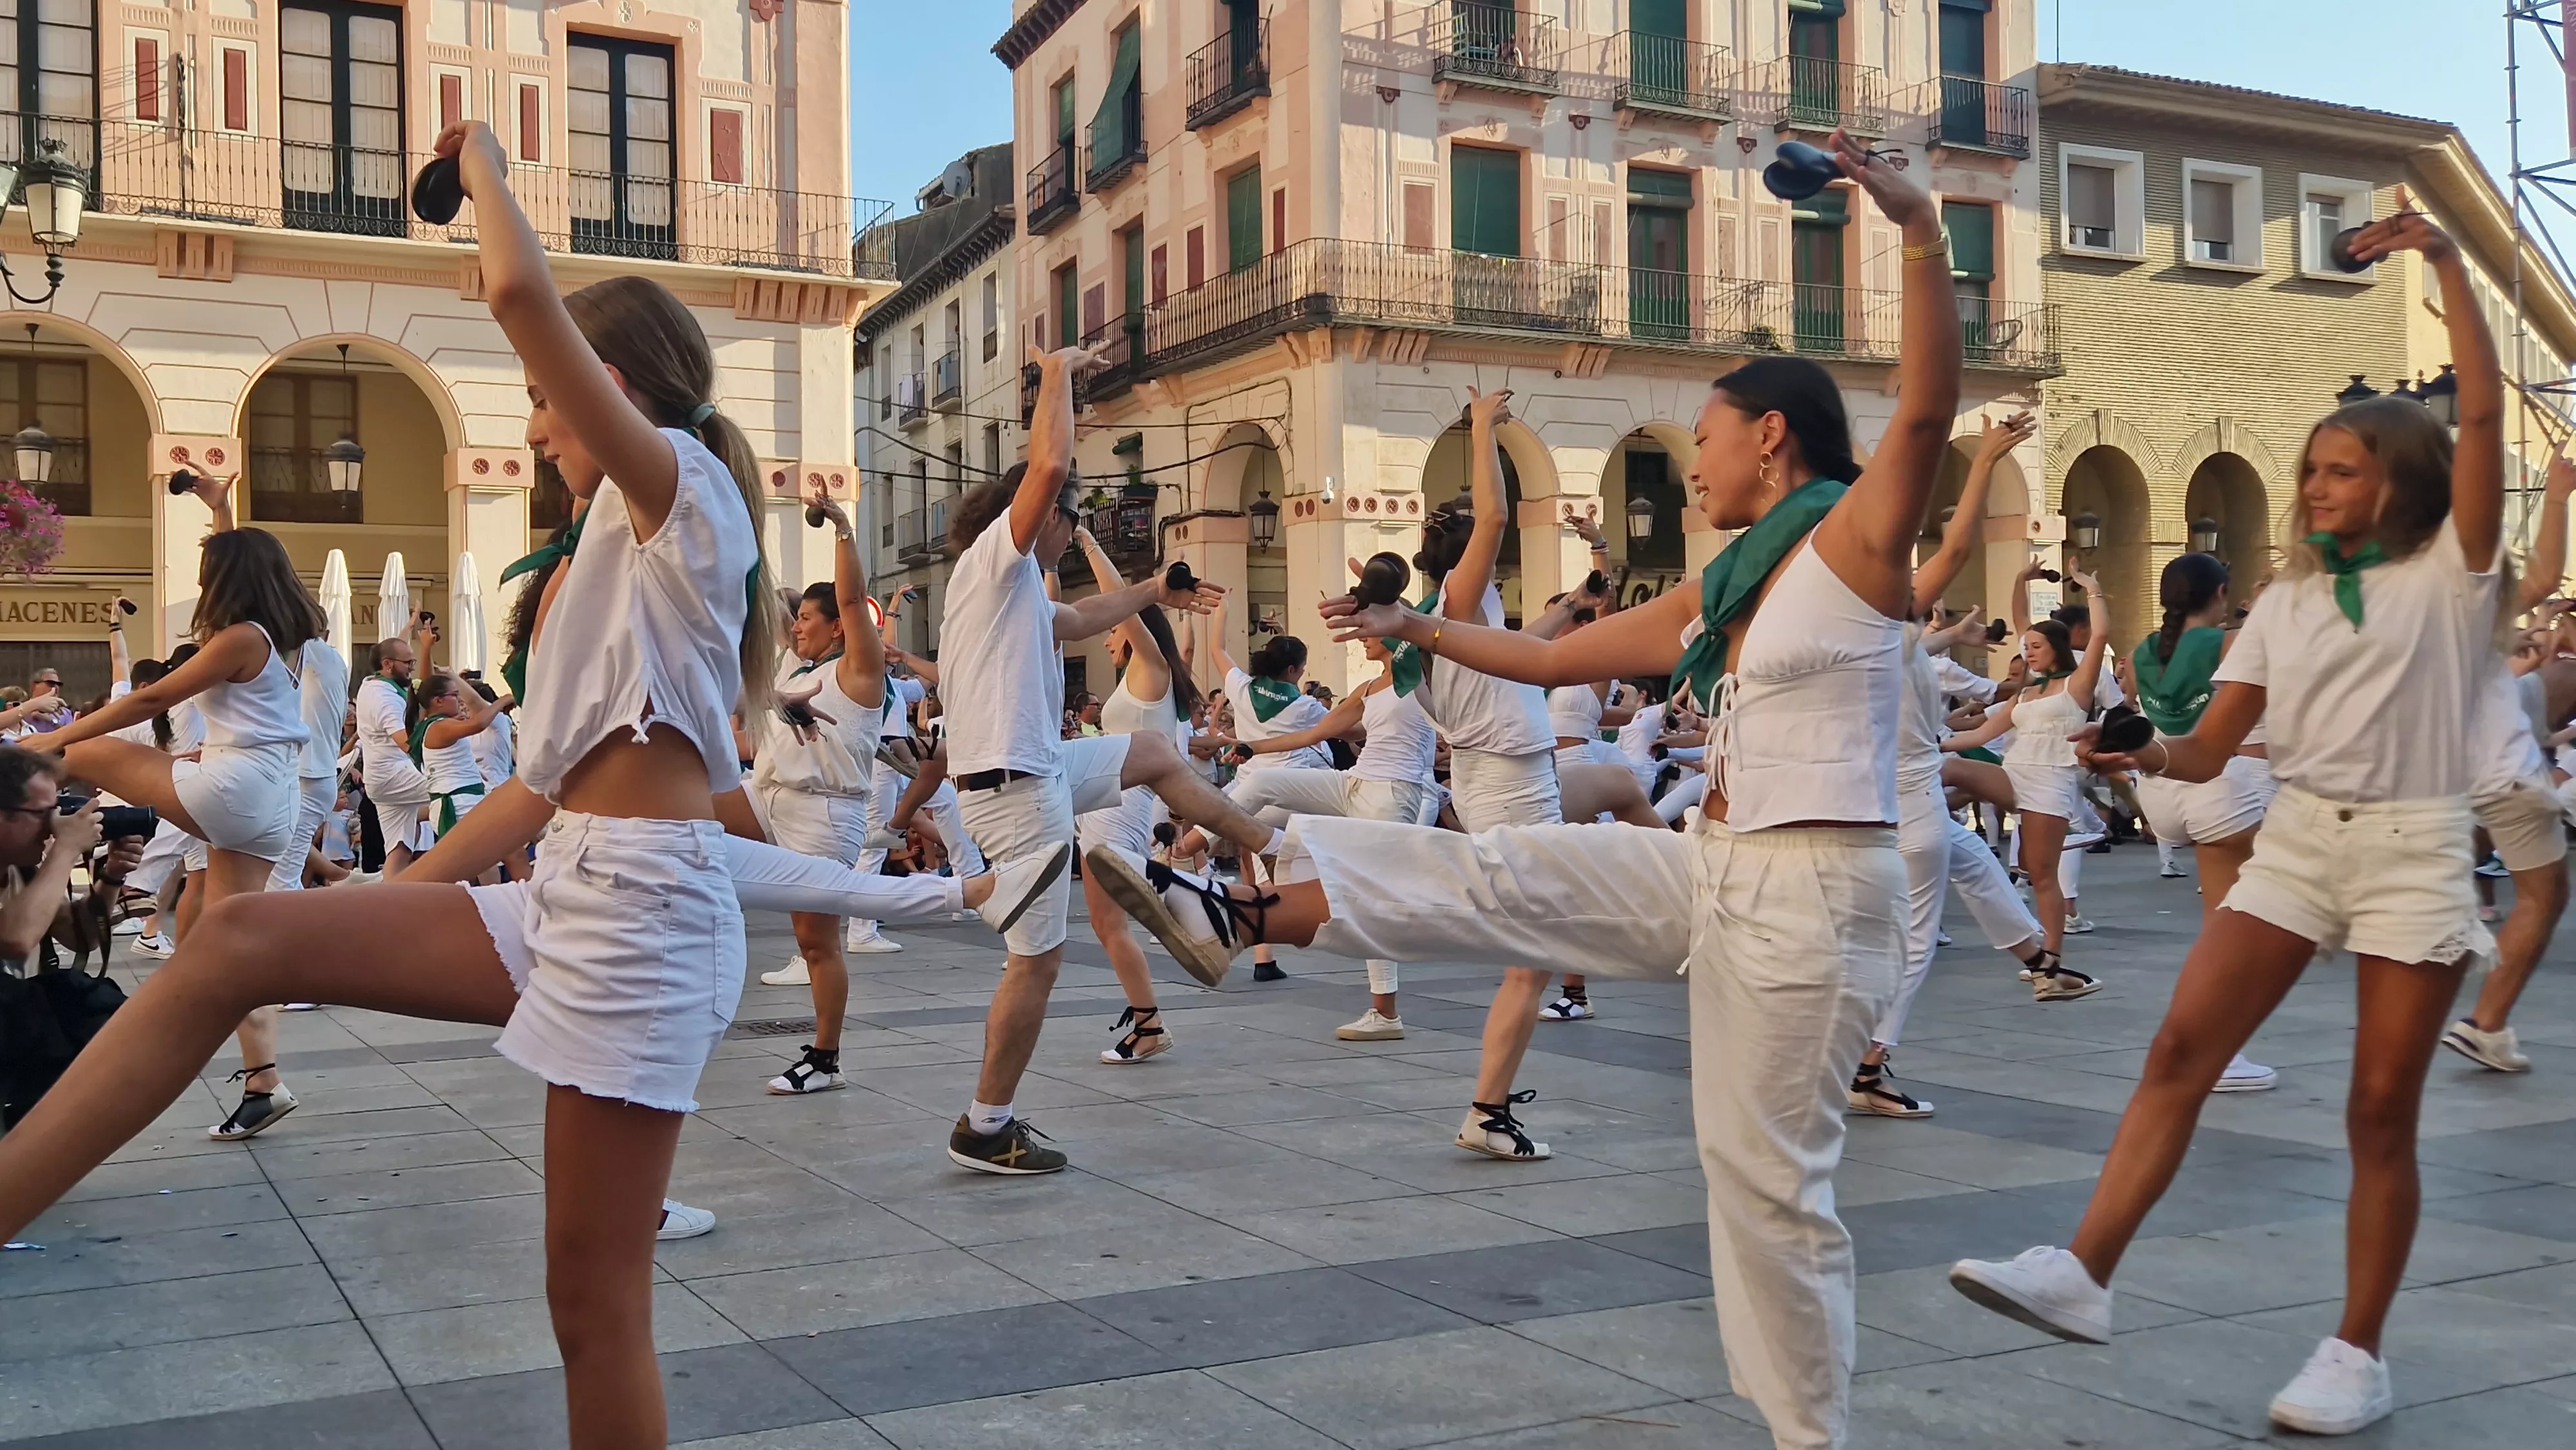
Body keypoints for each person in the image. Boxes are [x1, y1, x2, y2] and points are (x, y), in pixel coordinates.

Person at [0, 123, 1063, 1450]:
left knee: (592, 1308)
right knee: (242, 938)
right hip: (572, 890)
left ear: (601, 385)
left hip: (638, 925)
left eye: (542, 403)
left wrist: (486, 166)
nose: (535, 427)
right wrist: (367, 910)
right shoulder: (602, 553)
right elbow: (535, 792)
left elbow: (515, 290)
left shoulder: (685, 499)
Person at [1092, 129, 1951, 1450]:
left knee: (1766, 1184)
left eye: (1708, 438)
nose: (1695, 462)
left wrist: (1920, 231)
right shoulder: (1726, 585)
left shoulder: (1852, 540)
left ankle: (1808, 1436)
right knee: (1506, 872)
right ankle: (1234, 915)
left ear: (1771, 437)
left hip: (1818, 900)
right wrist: (1414, 630)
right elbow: (1550, 657)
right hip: (1718, 868)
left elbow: (1929, 416)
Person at [1946, 200, 2501, 1439]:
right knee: (2178, 1051)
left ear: (2401, 481)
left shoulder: (2448, 571)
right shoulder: (2288, 601)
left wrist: (2445, 261)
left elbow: (2483, 423)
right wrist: (2139, 746)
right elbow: (2203, 748)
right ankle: (2083, 1271)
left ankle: (2357, 1353)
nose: (2316, 487)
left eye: (2342, 469)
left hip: (2412, 849)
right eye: (2310, 469)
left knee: (2378, 1110)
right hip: (2299, 843)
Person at [929, 341, 1288, 1178]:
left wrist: (1156, 592)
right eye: (1069, 515)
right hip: (1014, 792)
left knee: (1155, 750)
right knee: (1037, 961)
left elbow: (1084, 620)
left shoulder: (1018, 594)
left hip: (1039, 767)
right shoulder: (995, 564)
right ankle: (986, 1123)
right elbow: (1050, 464)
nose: (1071, 523)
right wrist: (1055, 377)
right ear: (1036, 517)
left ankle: (1272, 848)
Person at [23, 471, 320, 1139]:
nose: (203, 579)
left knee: (79, 754)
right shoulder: (282, 638)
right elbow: (243, 564)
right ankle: (263, 1081)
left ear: (228, 580)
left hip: (235, 786)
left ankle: (24, 852)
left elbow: (152, 698)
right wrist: (221, 510)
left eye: (209, 571)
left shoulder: (240, 637)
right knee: (229, 941)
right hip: (270, 799)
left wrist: (56, 736)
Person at [1213, 635, 1440, 1040]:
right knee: (1262, 781)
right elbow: (1315, 733)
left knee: (1368, 902)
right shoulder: (1368, 688)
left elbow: (1422, 627)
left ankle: (1385, 1014)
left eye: (1369, 629)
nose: (1363, 637)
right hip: (1352, 782)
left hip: (1393, 793)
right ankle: (1186, 850)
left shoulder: (1418, 678)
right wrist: (1252, 747)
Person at [747, 482, 891, 1095]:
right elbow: (766, 602)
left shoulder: (858, 669)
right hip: (767, 797)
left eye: (808, 618)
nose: (796, 626)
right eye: (797, 617)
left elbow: (853, 598)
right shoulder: (794, 666)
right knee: (684, 817)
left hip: (824, 815)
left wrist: (841, 527)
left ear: (837, 628)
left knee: (815, 942)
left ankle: (826, 1058)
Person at [2442, 455, 2573, 1071]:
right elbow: (2544, 576)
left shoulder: (2406, 600)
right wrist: (2558, 496)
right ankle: (2486, 1023)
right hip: (2505, 770)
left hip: (2455, 771)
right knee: (2544, 897)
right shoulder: (2461, 590)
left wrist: (2506, 643)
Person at [1941, 569, 2108, 1000]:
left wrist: (2091, 589)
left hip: (2050, 783)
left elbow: (2101, 634)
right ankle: (1906, 817)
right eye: (2026, 646)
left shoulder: (2077, 685)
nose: (2028, 652)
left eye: (2036, 647)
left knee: (2041, 875)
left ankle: (2050, 959)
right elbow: (1979, 735)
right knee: (1947, 768)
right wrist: (1930, 744)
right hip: (2013, 774)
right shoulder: (2026, 692)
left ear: (2057, 648)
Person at [1070, 525, 1202, 1064]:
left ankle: (1150, 1025)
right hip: (1108, 804)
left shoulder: (1152, 671)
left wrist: (1088, 543)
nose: (1106, 638)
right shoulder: (1144, 680)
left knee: (1109, 924)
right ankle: (1149, 1021)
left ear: (1134, 632)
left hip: (1119, 810)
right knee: (1107, 923)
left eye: (1113, 631)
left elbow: (1119, 602)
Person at [1208, 603, 1331, 982]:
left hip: (1252, 799)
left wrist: (1222, 610)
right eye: (1302, 667)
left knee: (1258, 876)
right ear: (1293, 670)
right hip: (1294, 797)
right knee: (1328, 853)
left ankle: (1264, 957)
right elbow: (1343, 729)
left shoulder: (1242, 688)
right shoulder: (1307, 706)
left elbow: (1217, 649)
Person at [0, 747, 147, 968]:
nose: (53, 825)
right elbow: (14, 940)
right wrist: (67, 847)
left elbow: (81, 937)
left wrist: (111, 876)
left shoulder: (20, 871)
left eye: (56, 811)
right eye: (43, 813)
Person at [354, 617, 438, 872]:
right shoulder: (384, 698)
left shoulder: (376, 682)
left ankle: (388, 891)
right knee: (453, 789)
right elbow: (406, 744)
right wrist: (445, 754)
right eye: (408, 663)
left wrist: (415, 633)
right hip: (393, 775)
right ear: (388, 664)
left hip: (382, 779)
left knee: (399, 850)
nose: (412, 667)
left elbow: (422, 685)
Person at [408, 672, 515, 848]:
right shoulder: (440, 726)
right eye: (455, 695)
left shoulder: (443, 724)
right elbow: (478, 724)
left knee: (502, 855)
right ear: (439, 701)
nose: (460, 701)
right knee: (502, 853)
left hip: (466, 800)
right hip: (460, 804)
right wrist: (503, 700)